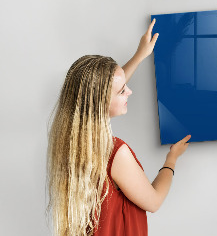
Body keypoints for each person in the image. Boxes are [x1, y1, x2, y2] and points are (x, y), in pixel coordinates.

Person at [46, 19, 191, 236]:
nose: (130, 92)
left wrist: (140, 55)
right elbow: (153, 201)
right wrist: (172, 159)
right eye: (123, 91)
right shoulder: (114, 153)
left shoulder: (69, 141)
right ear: (100, 101)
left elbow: (105, 89)